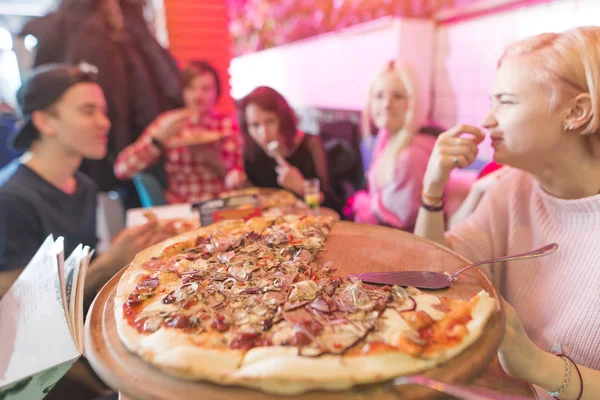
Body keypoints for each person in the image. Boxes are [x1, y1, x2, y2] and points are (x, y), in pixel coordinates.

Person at [415, 27, 600, 398]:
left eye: (507, 101)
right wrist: (432, 190)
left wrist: (536, 364)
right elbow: (434, 274)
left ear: (577, 112)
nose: (487, 120)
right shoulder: (512, 187)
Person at [0, 64, 165, 300]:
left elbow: (82, 264)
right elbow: (17, 303)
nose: (105, 123)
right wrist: (110, 261)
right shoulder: (10, 200)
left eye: (103, 111)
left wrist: (125, 248)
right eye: (88, 111)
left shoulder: (82, 185)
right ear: (45, 122)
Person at [114, 61, 244, 203]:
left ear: (216, 92)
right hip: (181, 207)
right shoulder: (170, 123)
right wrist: (158, 141)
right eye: (191, 88)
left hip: (221, 203)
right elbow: (122, 169)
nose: (198, 96)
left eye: (205, 89)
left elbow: (239, 177)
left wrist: (212, 160)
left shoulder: (227, 125)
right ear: (183, 91)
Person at [349, 60, 436, 231]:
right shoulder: (388, 135)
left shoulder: (410, 156)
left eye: (397, 96)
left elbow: (395, 221)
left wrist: (361, 202)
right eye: (379, 96)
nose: (387, 104)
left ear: (413, 102)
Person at [237, 86, 339, 209]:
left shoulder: (311, 145)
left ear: (283, 119)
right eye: (255, 125)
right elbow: (257, 198)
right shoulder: (251, 151)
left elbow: (333, 206)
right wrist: (242, 183)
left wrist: (302, 188)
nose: (263, 134)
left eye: (270, 121)